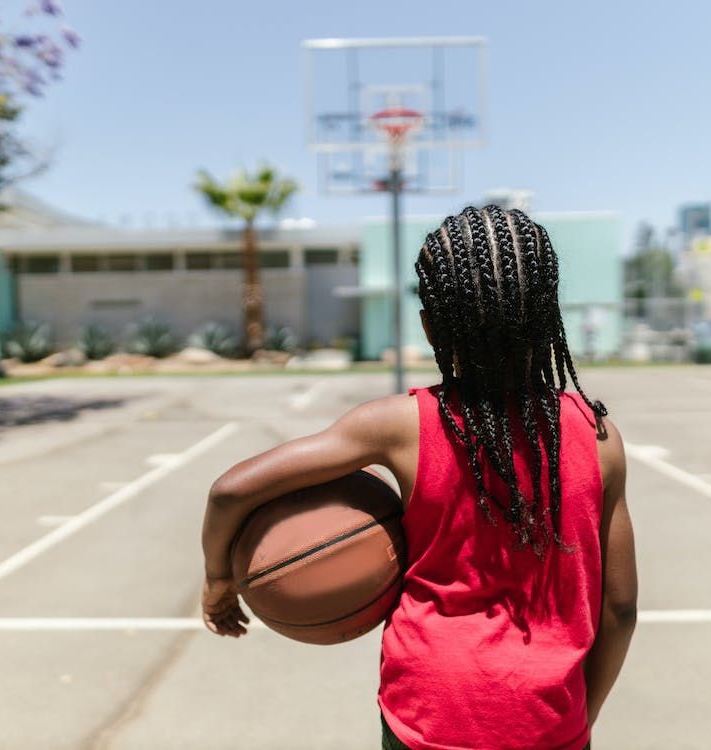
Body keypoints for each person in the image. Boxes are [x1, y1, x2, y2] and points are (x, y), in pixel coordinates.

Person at [200, 205, 638, 750]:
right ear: (549, 316)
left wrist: (220, 581)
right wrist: (578, 719)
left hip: (429, 715)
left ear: (431, 324)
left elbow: (231, 490)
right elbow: (618, 609)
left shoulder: (400, 425)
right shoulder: (598, 438)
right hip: (548, 718)